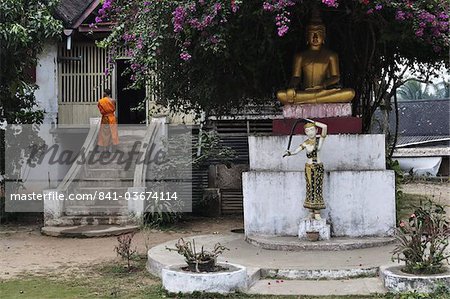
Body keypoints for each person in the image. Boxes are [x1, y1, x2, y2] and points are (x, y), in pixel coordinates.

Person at [277, 12, 355, 104]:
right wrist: (291, 88)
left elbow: (336, 77)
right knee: (281, 95)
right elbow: (296, 76)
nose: (315, 37)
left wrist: (324, 85)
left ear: (324, 35)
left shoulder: (331, 55)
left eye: (318, 33)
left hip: (323, 91)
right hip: (305, 92)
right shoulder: (300, 56)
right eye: (312, 33)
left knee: (350, 93)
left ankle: (309, 100)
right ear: (306, 35)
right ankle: (314, 99)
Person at [283, 119, 327, 220]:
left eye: (312, 130)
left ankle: (317, 212)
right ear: (305, 132)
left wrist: (311, 121)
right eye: (308, 131)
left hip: (318, 167)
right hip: (308, 168)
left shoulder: (320, 140)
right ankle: (311, 211)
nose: (310, 132)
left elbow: (324, 127)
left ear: (316, 130)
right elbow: (295, 151)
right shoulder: (306, 143)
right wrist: (289, 153)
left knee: (317, 189)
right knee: (310, 188)